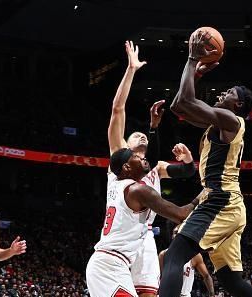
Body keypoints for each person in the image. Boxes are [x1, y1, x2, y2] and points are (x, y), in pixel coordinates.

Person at [158, 30, 252, 297]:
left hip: (221, 200)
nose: (222, 93)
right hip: (227, 202)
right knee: (232, 281)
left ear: (237, 104)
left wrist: (192, 60)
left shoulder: (230, 120)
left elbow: (188, 101)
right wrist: (197, 72)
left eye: (228, 93)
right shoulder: (218, 123)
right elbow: (179, 106)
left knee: (174, 256)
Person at [104, 40, 196, 297]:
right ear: (125, 148)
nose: (140, 137)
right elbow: (117, 109)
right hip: (118, 242)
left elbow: (186, 173)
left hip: (144, 237)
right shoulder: (119, 162)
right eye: (135, 136)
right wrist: (131, 69)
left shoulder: (155, 169)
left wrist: (188, 160)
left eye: (143, 136)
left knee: (148, 293)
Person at [86, 147, 199, 297]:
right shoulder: (138, 190)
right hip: (109, 268)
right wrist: (202, 196)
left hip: (110, 265)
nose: (143, 158)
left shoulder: (114, 182)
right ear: (126, 167)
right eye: (136, 157)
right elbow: (181, 215)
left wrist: (153, 127)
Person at [158, 225, 215, 297]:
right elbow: (160, 277)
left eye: (180, 233)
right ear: (172, 236)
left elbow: (206, 276)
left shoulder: (195, 256)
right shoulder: (163, 254)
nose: (177, 235)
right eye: (175, 233)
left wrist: (212, 294)